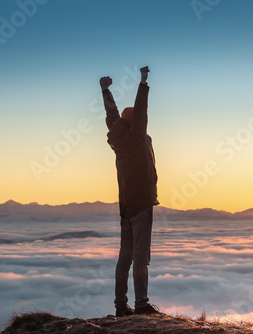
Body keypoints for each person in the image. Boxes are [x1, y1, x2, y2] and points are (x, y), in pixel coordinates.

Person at [100, 66, 160, 317]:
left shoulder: (118, 136)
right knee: (140, 258)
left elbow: (111, 114)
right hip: (142, 204)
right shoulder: (136, 135)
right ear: (134, 121)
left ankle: (120, 305)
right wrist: (143, 82)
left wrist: (105, 90)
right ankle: (142, 305)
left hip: (125, 207)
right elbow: (142, 109)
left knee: (124, 259)